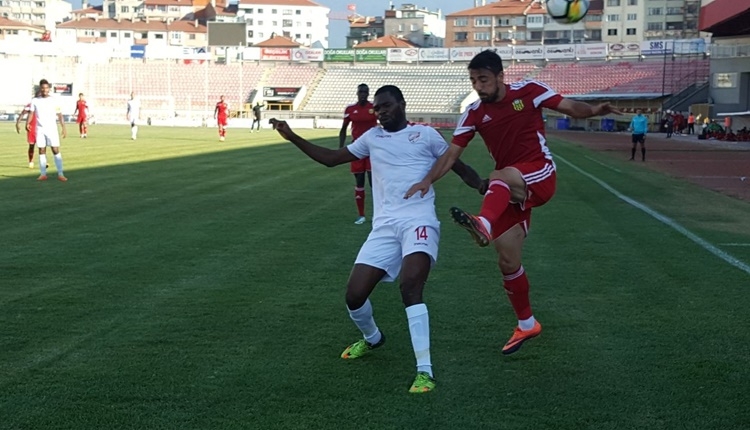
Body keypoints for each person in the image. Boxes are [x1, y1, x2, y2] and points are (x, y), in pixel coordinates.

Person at [269, 85, 486, 393]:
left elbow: (458, 167)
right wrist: (292, 136)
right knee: (354, 296)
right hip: (384, 227)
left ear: (402, 103)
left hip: (418, 221)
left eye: (386, 106)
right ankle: (373, 338)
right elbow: (332, 158)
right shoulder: (372, 138)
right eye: (377, 108)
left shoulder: (426, 135)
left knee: (410, 286)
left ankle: (425, 371)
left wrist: (481, 186)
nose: (381, 112)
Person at [405, 51, 621, 355]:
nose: (478, 86)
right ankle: (527, 323)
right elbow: (451, 155)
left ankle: (484, 222)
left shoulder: (529, 91)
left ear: (500, 76)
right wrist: (428, 180)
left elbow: (570, 107)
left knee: (499, 175)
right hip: (510, 188)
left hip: (539, 173)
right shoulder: (474, 113)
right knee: (507, 259)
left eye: (483, 79)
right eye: (473, 80)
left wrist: (596, 109)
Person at [339, 84, 378, 224]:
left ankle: (378, 214)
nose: (363, 94)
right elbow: (343, 129)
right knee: (359, 182)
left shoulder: (374, 108)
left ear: (368, 94)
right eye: (361, 92)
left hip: (372, 149)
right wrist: (340, 149)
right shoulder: (350, 109)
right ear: (357, 93)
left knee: (375, 183)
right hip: (356, 149)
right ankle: (361, 215)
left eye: (365, 92)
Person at [26, 79, 67, 181]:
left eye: (46, 88)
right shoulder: (35, 100)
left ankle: (60, 174)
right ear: (40, 88)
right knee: (41, 150)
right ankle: (43, 174)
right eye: (43, 88)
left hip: (52, 129)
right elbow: (31, 113)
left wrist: (63, 127)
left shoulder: (54, 100)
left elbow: (59, 114)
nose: (45, 90)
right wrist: (27, 123)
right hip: (40, 129)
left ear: (49, 89)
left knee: (55, 150)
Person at [16, 97, 38, 169]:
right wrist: (18, 123)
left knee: (42, 145)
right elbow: (22, 114)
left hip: (41, 127)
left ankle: (43, 161)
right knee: (31, 146)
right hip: (31, 127)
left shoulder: (45, 104)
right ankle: (31, 161)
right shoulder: (30, 105)